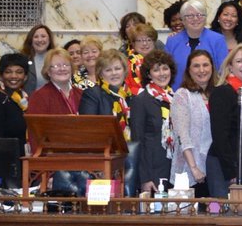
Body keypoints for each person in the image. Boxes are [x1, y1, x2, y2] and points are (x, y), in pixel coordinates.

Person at [78, 49, 136, 196]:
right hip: (101, 161)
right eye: (108, 70)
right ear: (100, 73)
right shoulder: (92, 94)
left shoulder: (131, 97)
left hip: (129, 158)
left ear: (125, 71)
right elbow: (88, 129)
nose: (114, 73)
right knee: (103, 206)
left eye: (117, 68)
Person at [209, 44, 242, 197]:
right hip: (227, 167)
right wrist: (230, 171)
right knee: (219, 209)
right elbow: (219, 135)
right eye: (239, 61)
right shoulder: (222, 92)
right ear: (230, 67)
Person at [171, 50, 217, 198]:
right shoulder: (183, 95)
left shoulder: (218, 93)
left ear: (212, 68)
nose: (202, 70)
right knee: (193, 211)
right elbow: (182, 136)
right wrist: (194, 167)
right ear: (189, 71)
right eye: (196, 66)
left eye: (205, 65)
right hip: (191, 171)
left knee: (215, 209)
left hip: (215, 168)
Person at [130, 50, 176, 194]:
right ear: (149, 75)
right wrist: (145, 178)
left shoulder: (174, 98)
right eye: (156, 70)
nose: (162, 74)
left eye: (165, 68)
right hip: (152, 170)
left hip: (173, 167)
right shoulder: (141, 100)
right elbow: (137, 141)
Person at [167, 0, 230, 90]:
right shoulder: (172, 41)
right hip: (178, 93)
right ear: (183, 20)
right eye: (190, 16)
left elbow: (223, 72)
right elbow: (166, 71)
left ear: (205, 18)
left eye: (200, 15)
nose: (195, 19)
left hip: (210, 94)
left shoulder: (218, 40)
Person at [0, 53, 29, 145]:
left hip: (27, 152)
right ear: (1, 76)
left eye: (19, 72)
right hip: (6, 153)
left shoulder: (26, 98)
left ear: (25, 77)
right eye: (8, 72)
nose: (14, 76)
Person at [27, 49, 82, 115]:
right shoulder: (39, 97)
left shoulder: (81, 94)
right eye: (56, 66)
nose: (62, 69)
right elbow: (35, 121)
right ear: (48, 71)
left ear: (71, 68)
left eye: (66, 65)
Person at [125, 23, 161, 95]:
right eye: (140, 40)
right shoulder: (127, 64)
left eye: (149, 40)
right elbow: (125, 87)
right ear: (133, 43)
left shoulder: (162, 61)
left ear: (154, 42)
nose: (145, 43)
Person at [20, 25, 55, 95]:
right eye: (36, 37)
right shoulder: (22, 60)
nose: (40, 40)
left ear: (49, 39)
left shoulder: (57, 58)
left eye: (43, 36)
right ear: (31, 40)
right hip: (29, 101)